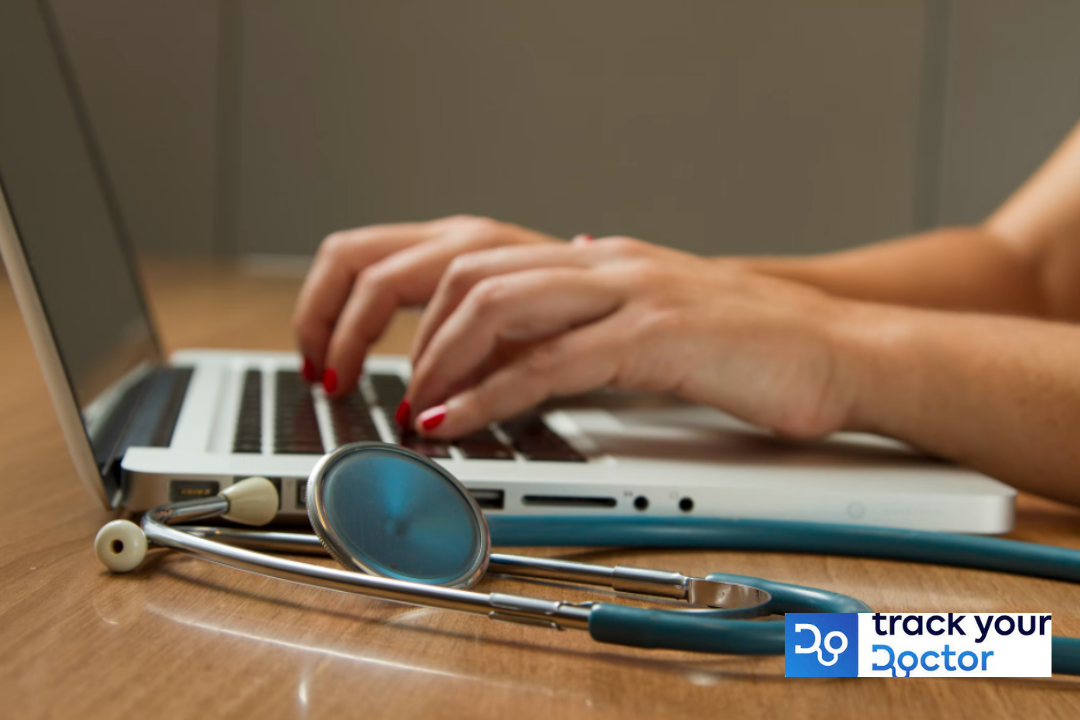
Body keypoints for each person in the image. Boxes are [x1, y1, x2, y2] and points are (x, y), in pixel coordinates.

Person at [292, 120, 1080, 507]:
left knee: (862, 657)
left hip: (1037, 649)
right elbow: (1032, 271)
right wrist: (648, 307)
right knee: (797, 659)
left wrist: (839, 356)